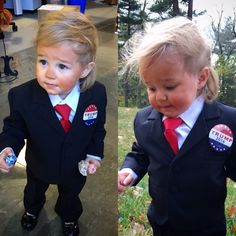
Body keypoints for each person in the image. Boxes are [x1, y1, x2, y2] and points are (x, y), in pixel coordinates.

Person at [118, 16, 236, 236]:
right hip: (162, 224)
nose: (159, 97)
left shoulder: (227, 121)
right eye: (151, 88)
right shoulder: (144, 121)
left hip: (207, 227)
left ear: (201, 78)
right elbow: (141, 152)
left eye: (169, 86)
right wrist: (130, 169)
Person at [0, 10, 107, 236]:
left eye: (62, 66)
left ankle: (69, 217)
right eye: (43, 61)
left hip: (75, 166)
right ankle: (32, 210)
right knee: (33, 192)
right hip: (39, 164)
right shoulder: (22, 97)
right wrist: (7, 147)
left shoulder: (96, 95)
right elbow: (15, 128)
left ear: (85, 69)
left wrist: (94, 154)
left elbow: (98, 129)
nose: (48, 73)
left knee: (71, 195)